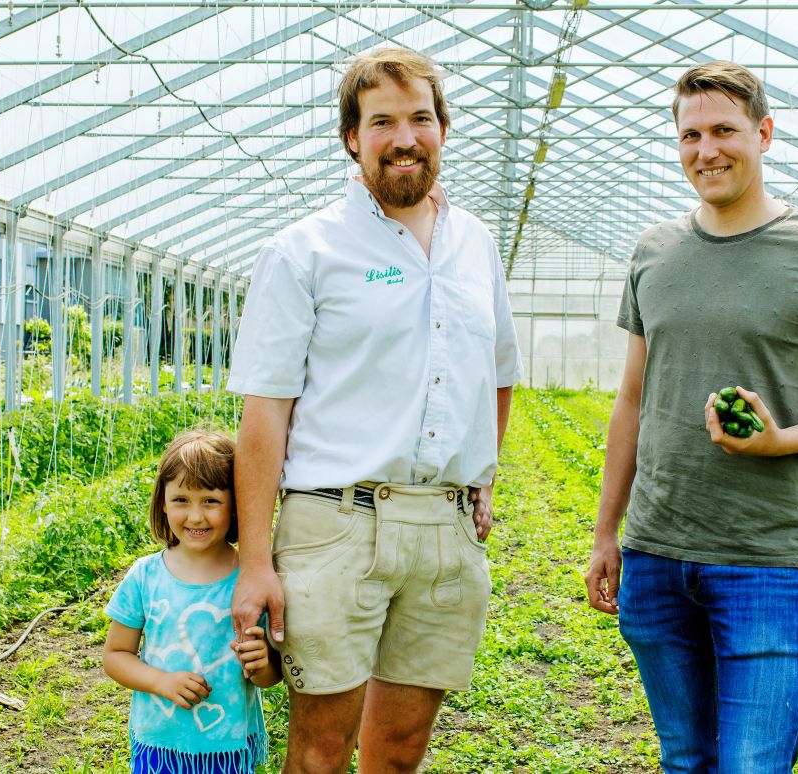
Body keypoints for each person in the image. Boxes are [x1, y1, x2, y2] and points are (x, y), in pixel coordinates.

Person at [583, 60, 798, 773]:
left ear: (763, 133)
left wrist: (780, 440)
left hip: (766, 561)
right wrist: (608, 533)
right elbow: (633, 398)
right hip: (657, 554)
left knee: (753, 766)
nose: (707, 150)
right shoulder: (654, 253)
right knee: (684, 759)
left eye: (725, 130)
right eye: (690, 135)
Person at [225, 47, 520, 774]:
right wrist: (256, 561)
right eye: (381, 120)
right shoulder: (305, 250)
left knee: (401, 749)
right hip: (336, 525)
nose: (404, 137)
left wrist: (483, 475)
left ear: (444, 130)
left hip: (444, 534)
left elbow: (500, 376)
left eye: (421, 117)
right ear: (352, 138)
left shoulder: (475, 245)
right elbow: (264, 416)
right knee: (322, 750)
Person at [103, 430, 282, 774]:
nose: (196, 516)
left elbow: (269, 676)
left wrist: (262, 665)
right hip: (161, 745)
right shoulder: (146, 577)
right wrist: (161, 682)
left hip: (227, 748)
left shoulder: (251, 579)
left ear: (237, 506)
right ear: (163, 503)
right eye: (182, 500)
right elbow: (116, 656)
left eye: (211, 501)